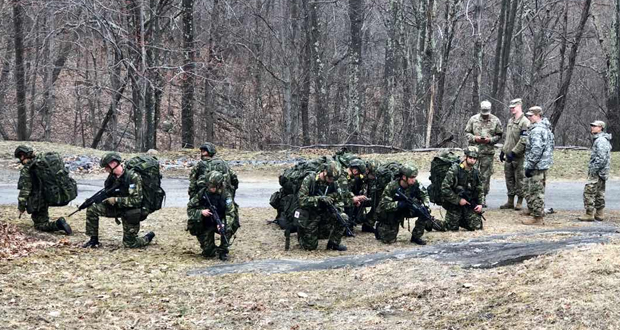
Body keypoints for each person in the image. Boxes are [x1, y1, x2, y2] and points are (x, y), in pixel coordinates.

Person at [82, 152, 155, 248]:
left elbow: (136, 200)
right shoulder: (112, 177)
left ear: (113, 164)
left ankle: (147, 237)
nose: (105, 169)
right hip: (117, 207)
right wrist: (95, 200)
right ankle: (93, 240)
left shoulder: (132, 177)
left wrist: (116, 200)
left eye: (106, 166)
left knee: (130, 244)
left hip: (131, 210)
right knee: (92, 209)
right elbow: (108, 192)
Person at [14, 145, 72, 235]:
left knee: (39, 225)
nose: (20, 160)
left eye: (19, 157)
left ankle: (58, 224)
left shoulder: (28, 169)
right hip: (49, 194)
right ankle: (48, 220)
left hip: (39, 200)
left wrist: (21, 207)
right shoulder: (41, 162)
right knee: (42, 216)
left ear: (22, 156)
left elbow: (25, 191)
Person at [294, 161, 348, 251]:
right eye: (330, 178)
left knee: (343, 218)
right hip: (310, 215)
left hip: (325, 213)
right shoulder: (310, 180)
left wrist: (337, 207)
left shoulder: (333, 182)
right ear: (325, 172)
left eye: (333, 179)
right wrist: (319, 199)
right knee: (310, 247)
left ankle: (333, 243)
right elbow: (301, 200)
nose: (331, 181)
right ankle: (302, 236)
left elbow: (339, 198)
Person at [187, 171, 239, 260]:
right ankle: (211, 248)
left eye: (214, 187)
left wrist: (222, 224)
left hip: (221, 220)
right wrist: (201, 212)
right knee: (208, 253)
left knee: (228, 226)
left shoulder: (226, 195)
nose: (212, 189)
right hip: (207, 223)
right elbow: (190, 208)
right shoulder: (202, 193)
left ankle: (223, 249)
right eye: (210, 187)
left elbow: (230, 213)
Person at [376, 164, 433, 245]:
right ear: (403, 177)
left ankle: (416, 236)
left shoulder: (415, 184)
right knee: (388, 240)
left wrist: (426, 205)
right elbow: (383, 205)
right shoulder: (392, 186)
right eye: (411, 178)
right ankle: (380, 227)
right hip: (393, 212)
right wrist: (399, 204)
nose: (414, 180)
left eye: (414, 177)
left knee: (424, 212)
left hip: (408, 208)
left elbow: (424, 194)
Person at [465, 100, 504, 199]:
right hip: (473, 153)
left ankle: (482, 198)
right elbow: (467, 133)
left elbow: (499, 135)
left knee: (485, 177)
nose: (485, 115)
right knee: (470, 174)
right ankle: (470, 196)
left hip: (487, 153)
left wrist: (490, 140)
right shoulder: (473, 119)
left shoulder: (496, 120)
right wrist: (474, 138)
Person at [522, 106, 554, 225]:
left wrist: (530, 165)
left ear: (538, 115)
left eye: (531, 115)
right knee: (536, 190)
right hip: (541, 164)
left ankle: (538, 217)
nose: (529, 118)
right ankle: (535, 211)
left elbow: (536, 149)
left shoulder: (537, 130)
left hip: (537, 166)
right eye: (529, 115)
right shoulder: (544, 128)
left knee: (536, 191)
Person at [440, 147, 485, 231]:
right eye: (470, 158)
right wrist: (458, 200)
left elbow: (480, 189)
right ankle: (430, 222)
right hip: (454, 204)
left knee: (477, 226)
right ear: (466, 157)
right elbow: (444, 188)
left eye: (474, 158)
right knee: (450, 228)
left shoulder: (475, 172)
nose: (472, 160)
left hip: (468, 204)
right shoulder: (455, 169)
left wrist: (480, 204)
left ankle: (461, 219)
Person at [499, 98, 530, 210]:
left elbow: (523, 140)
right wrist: (503, 150)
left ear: (519, 107)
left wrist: (514, 152)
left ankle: (519, 201)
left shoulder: (525, 122)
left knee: (519, 179)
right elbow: (508, 138)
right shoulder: (510, 121)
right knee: (509, 178)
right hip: (509, 155)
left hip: (519, 156)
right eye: (511, 107)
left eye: (514, 107)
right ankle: (510, 201)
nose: (512, 109)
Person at [578, 121, 612, 221]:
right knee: (599, 192)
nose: (592, 127)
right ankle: (599, 214)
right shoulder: (602, 139)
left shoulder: (600, 140)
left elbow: (602, 158)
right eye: (592, 125)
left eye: (594, 126)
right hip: (602, 171)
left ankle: (589, 214)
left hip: (597, 172)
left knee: (589, 192)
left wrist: (594, 169)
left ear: (601, 127)